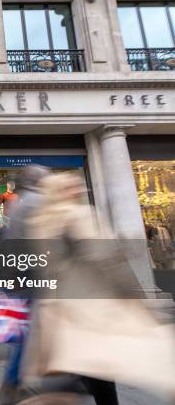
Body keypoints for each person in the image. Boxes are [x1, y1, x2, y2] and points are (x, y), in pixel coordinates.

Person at [22, 172, 175, 405]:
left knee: (84, 364)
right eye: (73, 187)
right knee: (123, 357)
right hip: (92, 303)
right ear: (63, 192)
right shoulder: (80, 215)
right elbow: (106, 259)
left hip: (63, 308)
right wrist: (133, 294)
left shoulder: (42, 222)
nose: (80, 190)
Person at [0, 165, 50, 405]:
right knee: (30, 330)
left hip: (19, 275)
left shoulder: (18, 204)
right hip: (35, 274)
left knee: (22, 330)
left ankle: (15, 379)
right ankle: (14, 380)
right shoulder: (39, 201)